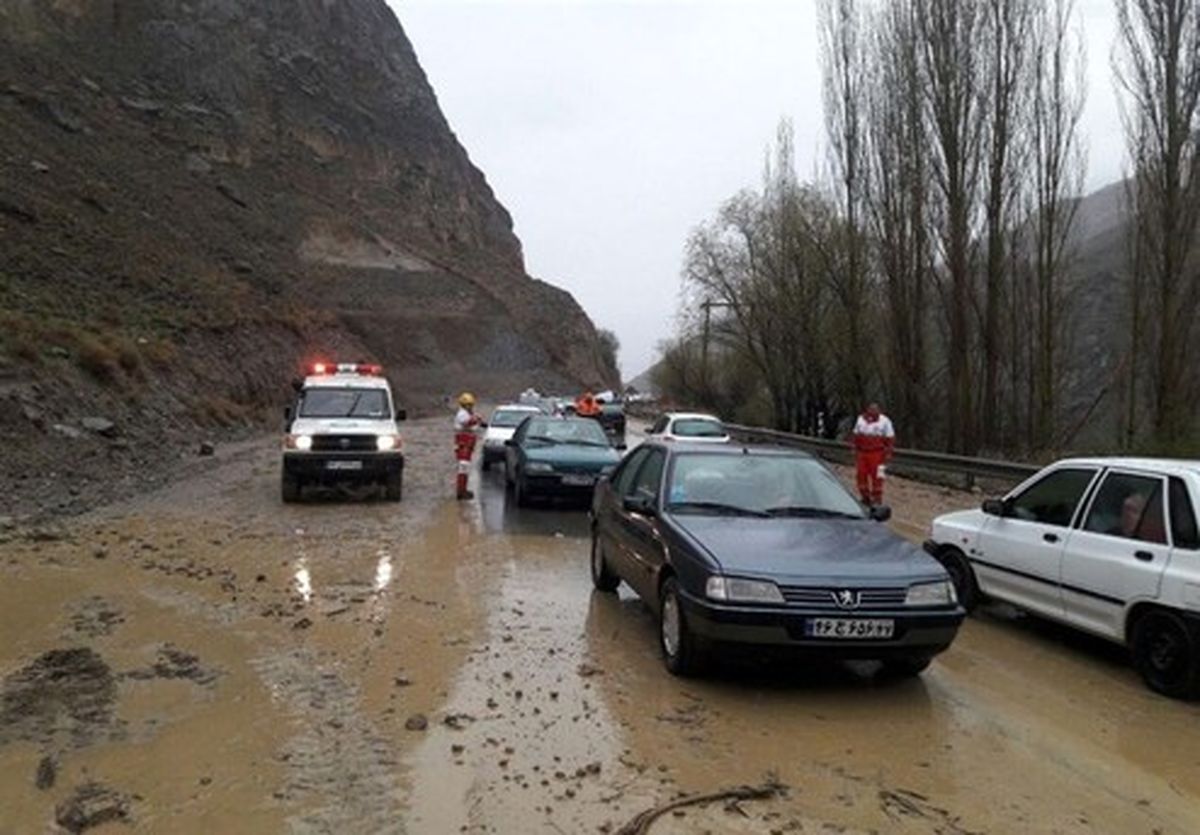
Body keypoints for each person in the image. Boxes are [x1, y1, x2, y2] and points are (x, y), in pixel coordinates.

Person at [852, 402, 895, 506]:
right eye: (871, 409)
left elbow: (890, 438)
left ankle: (877, 498)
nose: (873, 411)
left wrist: (888, 453)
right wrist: (854, 448)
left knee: (878, 476)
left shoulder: (885, 421)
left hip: (878, 453)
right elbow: (856, 435)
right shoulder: (861, 419)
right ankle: (865, 497)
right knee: (861, 474)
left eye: (875, 409)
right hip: (863, 452)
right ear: (867, 410)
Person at [454, 392, 484, 500]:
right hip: (464, 444)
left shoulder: (467, 413)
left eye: (471, 405)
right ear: (463, 405)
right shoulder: (462, 414)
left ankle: (463, 490)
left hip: (467, 444)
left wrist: (479, 421)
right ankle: (461, 492)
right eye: (468, 405)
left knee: (465, 468)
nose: (470, 407)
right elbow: (468, 422)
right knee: (463, 467)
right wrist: (477, 419)